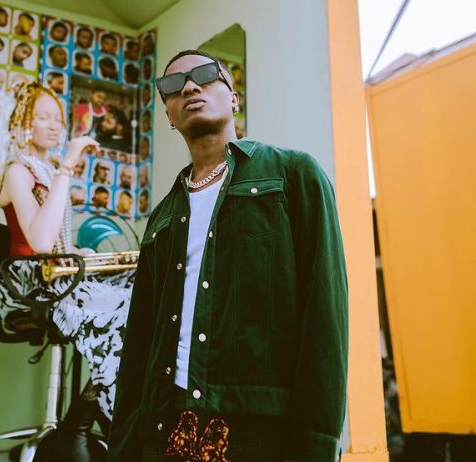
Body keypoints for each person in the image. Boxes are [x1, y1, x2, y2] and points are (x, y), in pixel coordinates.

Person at [108, 49, 348, 462]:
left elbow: (325, 317)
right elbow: (139, 344)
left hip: (258, 435)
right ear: (168, 115)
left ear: (234, 97)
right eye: (172, 85)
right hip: (163, 433)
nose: (189, 87)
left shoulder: (293, 175)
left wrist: (316, 444)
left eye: (204, 75)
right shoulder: (162, 216)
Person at [0, 82, 134, 462]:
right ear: (24, 123)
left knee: (140, 289)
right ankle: (97, 420)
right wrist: (68, 167)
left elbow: (56, 244)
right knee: (120, 307)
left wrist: (77, 252)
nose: (55, 125)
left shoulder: (46, 170)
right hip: (31, 285)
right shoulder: (17, 172)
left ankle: (84, 419)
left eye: (58, 118)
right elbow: (40, 242)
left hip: (55, 275)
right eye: (44, 117)